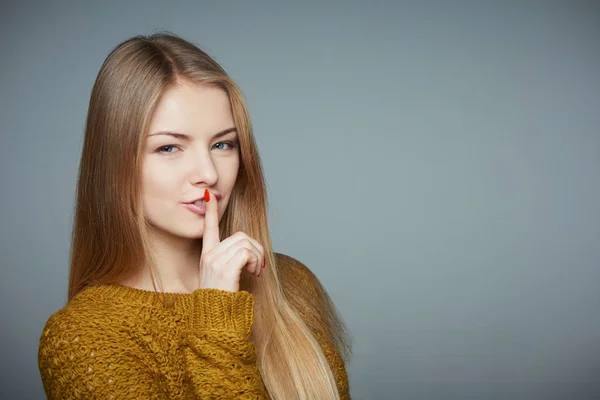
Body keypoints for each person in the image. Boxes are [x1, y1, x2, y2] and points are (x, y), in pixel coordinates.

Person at [37, 32, 352, 399]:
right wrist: (217, 318)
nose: (208, 173)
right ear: (114, 163)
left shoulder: (293, 285)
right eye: (169, 147)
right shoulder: (84, 335)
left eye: (223, 144)